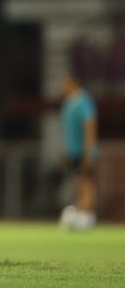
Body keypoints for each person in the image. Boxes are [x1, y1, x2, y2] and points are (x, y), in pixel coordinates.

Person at [58, 72, 98, 231]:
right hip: (73, 150)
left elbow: (90, 125)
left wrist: (90, 150)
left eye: (65, 83)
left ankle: (87, 215)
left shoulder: (83, 101)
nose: (61, 87)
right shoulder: (69, 102)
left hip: (84, 149)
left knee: (86, 181)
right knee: (78, 182)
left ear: (73, 83)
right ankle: (80, 212)